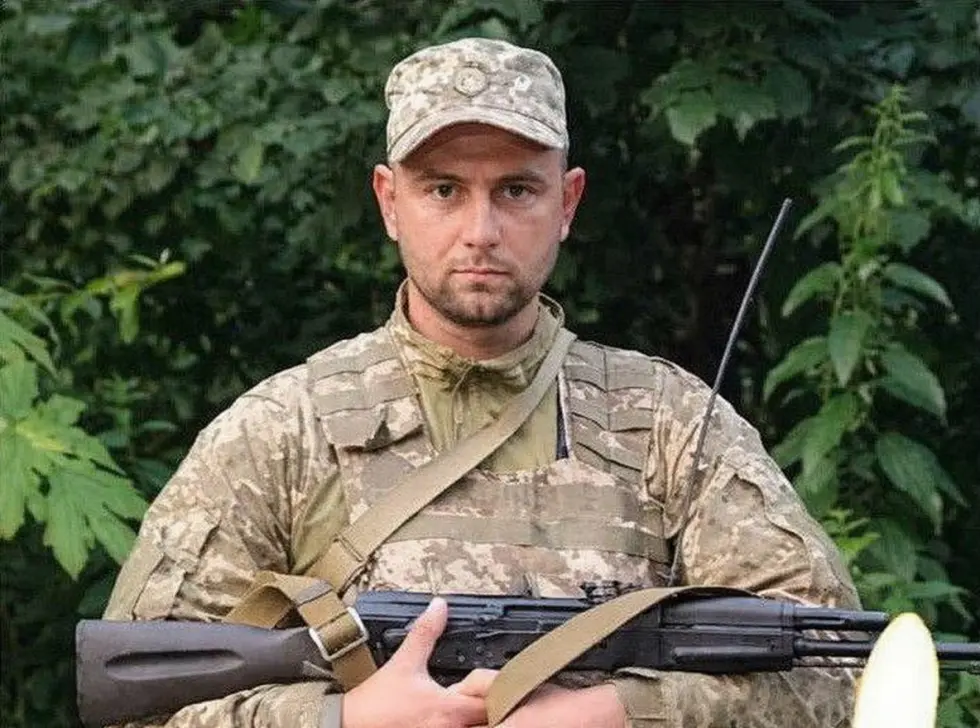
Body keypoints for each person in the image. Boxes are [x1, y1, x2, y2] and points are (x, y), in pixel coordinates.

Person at [103, 37, 860, 728]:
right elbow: (141, 699)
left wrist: (620, 713)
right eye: (443, 190)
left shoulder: (670, 424)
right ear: (389, 201)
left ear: (567, 203)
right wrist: (341, 721)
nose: (480, 232)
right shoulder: (282, 432)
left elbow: (834, 671)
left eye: (516, 191)